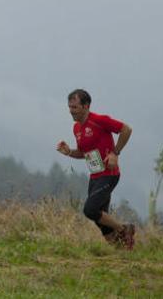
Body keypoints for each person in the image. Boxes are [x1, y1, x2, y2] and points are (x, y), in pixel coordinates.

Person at [56, 88, 136, 249]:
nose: (71, 111)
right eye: (70, 107)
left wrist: (115, 153)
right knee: (101, 221)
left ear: (86, 106)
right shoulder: (76, 128)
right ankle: (123, 251)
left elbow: (126, 129)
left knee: (90, 210)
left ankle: (124, 229)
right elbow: (84, 153)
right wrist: (69, 152)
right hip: (95, 176)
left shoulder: (99, 120)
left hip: (109, 174)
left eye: (75, 107)